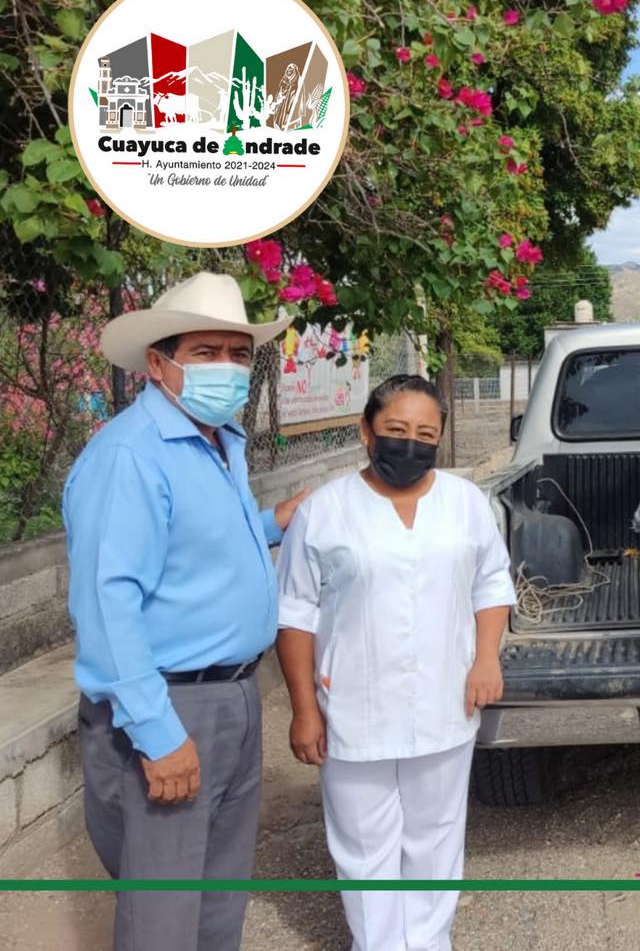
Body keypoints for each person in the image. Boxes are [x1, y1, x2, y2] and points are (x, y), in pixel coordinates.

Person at [64, 271, 309, 951]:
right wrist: (157, 732)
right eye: (206, 352)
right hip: (169, 705)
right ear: (158, 364)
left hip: (232, 697)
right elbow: (108, 603)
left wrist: (270, 522)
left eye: (237, 353)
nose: (226, 368)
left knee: (215, 900)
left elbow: (189, 546)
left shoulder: (216, 440)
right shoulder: (130, 456)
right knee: (163, 918)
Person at [276, 374, 517, 951]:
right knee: (364, 846)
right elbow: (295, 615)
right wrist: (303, 710)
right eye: (395, 430)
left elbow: (491, 585)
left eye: (425, 434)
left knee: (436, 839)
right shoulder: (326, 510)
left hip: (446, 699)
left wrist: (487, 660)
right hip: (354, 708)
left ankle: (431, 942)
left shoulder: (466, 503)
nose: (410, 444)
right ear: (366, 431)